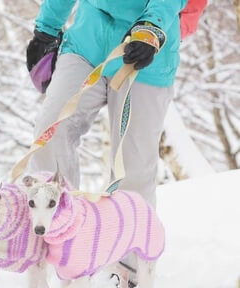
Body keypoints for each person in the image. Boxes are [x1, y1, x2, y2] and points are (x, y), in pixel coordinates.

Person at [25, 0, 188, 208]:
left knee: (133, 165)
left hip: (146, 52)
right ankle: (50, 220)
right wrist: (45, 30)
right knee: (52, 127)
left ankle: (132, 233)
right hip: (87, 43)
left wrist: (151, 27)